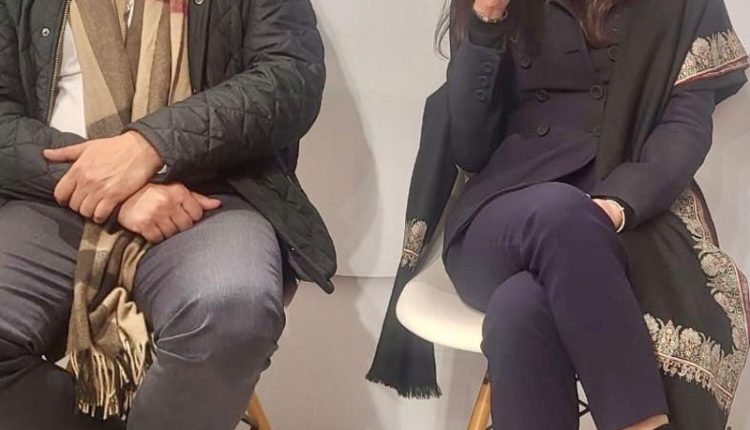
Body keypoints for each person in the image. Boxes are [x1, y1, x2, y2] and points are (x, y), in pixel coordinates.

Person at [368, 0, 749, 429]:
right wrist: (487, 18)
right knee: (562, 212)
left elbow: (685, 128)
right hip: (502, 215)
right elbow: (471, 149)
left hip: (627, 211)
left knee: (520, 310)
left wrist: (619, 203)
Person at [0, 0, 335, 429]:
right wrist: (112, 187)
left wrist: (151, 146)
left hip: (209, 192)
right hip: (53, 192)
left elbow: (290, 79)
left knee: (234, 311)